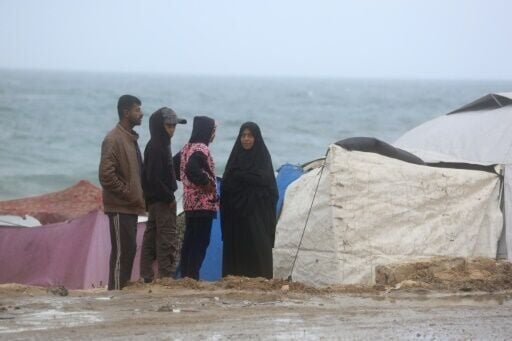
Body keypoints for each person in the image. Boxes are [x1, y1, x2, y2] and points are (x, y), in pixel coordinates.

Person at [220, 122, 278, 279]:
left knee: (257, 249)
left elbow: (269, 188)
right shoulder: (235, 158)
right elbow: (226, 184)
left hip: (256, 215)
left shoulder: (263, 159)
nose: (246, 139)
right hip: (236, 216)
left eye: (250, 136)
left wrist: (244, 178)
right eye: (243, 136)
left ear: (256, 138)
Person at [99, 94, 145, 290]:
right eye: (137, 110)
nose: (141, 113)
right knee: (121, 253)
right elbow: (105, 175)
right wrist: (127, 193)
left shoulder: (130, 138)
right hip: (120, 207)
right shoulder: (113, 138)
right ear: (126, 113)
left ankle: (122, 291)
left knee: (129, 250)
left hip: (131, 207)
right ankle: (115, 293)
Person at [140, 107, 187, 283]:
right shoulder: (157, 146)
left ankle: (147, 275)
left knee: (151, 237)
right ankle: (165, 275)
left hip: (154, 201)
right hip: (161, 201)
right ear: (159, 126)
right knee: (166, 238)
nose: (172, 130)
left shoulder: (158, 144)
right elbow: (154, 178)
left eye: (174, 126)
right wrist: (169, 198)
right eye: (169, 126)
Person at [175, 116, 218, 280]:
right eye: (213, 131)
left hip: (189, 203)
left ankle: (186, 274)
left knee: (190, 240)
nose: (213, 135)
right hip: (203, 204)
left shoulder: (187, 148)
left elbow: (174, 165)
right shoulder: (201, 148)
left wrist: (187, 184)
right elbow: (192, 168)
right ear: (207, 131)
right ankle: (192, 275)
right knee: (200, 241)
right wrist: (206, 183)